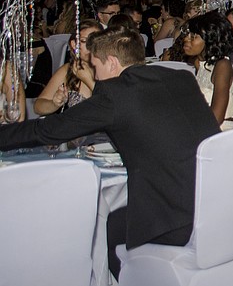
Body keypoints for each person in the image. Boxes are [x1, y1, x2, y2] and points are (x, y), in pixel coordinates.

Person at [0, 25, 221, 280]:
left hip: (173, 221)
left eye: (95, 66)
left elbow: (48, 130)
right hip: (215, 203)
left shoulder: (114, 94)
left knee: (101, 230)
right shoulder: (179, 77)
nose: (94, 72)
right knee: (116, 219)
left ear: (113, 63)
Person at [183, 11, 233, 128]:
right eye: (188, 35)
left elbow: (216, 117)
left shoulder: (222, 65)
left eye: (193, 36)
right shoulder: (200, 64)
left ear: (210, 39)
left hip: (219, 132)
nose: (186, 39)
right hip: (203, 128)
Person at [33, 19, 100, 116]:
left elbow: (115, 107)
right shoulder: (68, 70)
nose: (92, 46)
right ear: (74, 45)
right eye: (85, 41)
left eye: (97, 40)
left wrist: (88, 80)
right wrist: (54, 104)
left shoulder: (109, 69)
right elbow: (38, 106)